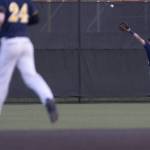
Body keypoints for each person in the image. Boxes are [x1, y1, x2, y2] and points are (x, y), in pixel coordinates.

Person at [0, 0, 58, 123]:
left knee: (2, 80)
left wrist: (9, 23)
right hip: (25, 42)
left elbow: (1, 18)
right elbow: (36, 18)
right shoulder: (24, 1)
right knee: (31, 76)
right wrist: (20, 23)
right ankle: (48, 98)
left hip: (10, 42)